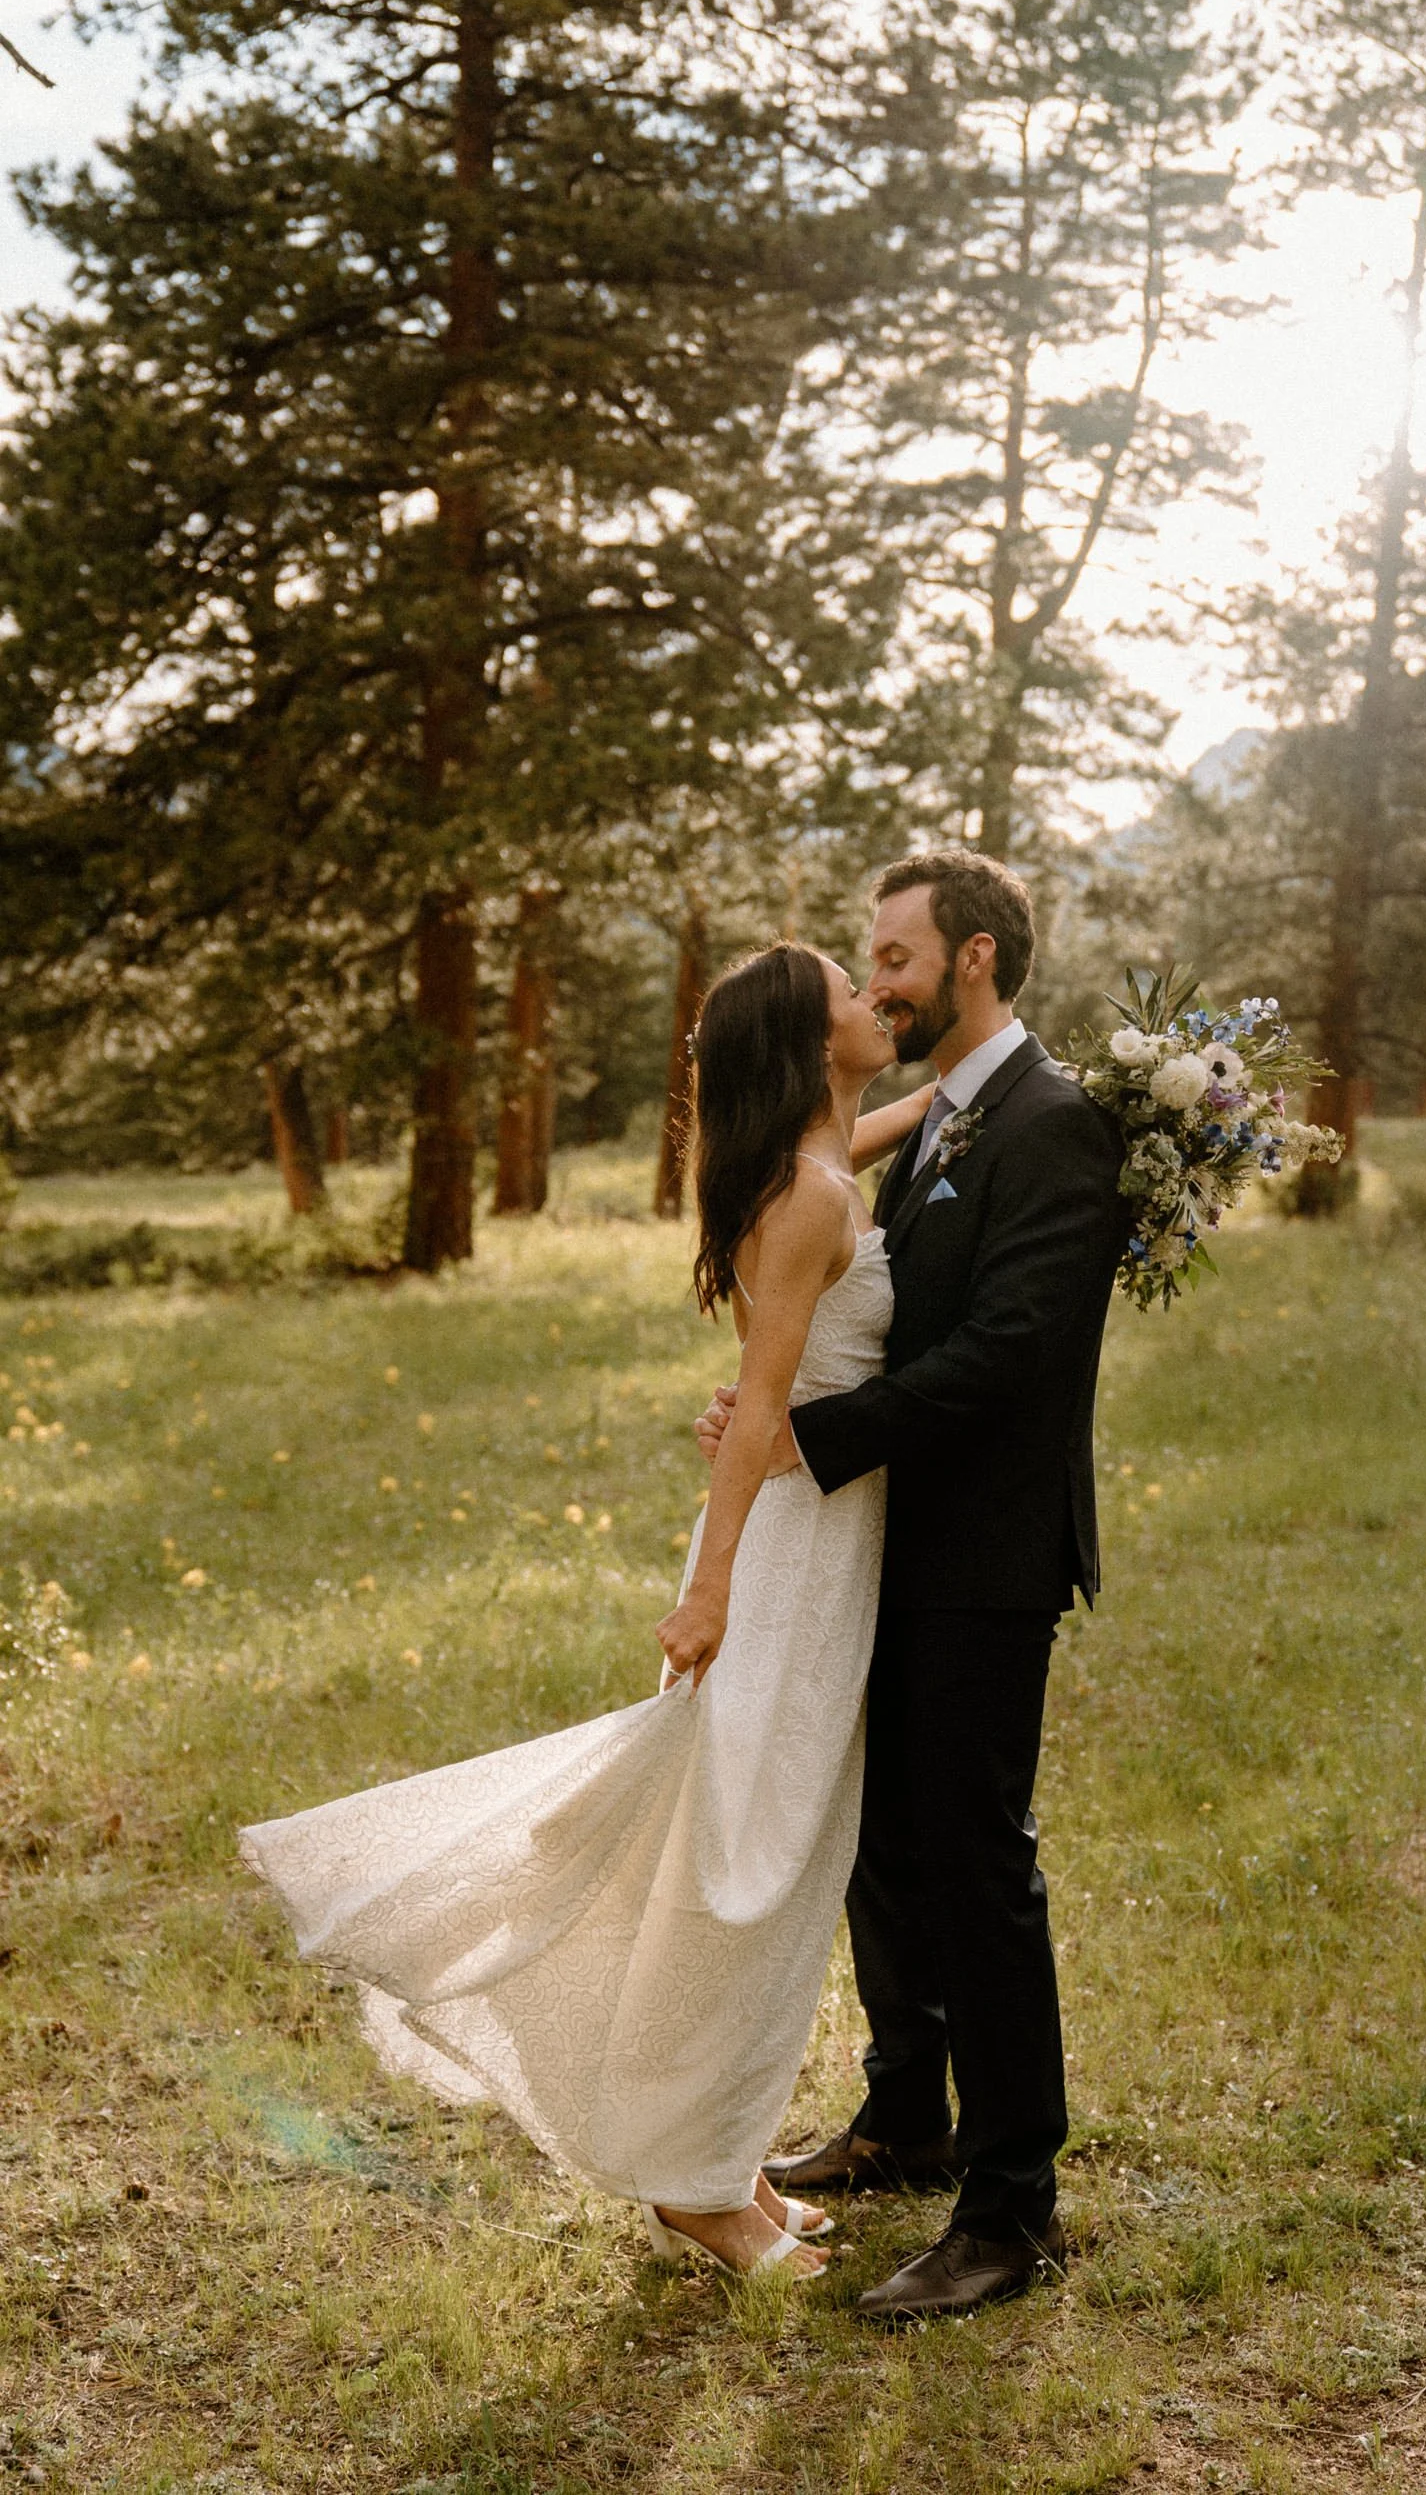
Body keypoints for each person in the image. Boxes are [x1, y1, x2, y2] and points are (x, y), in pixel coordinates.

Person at [241, 942, 928, 2281]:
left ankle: (716, 2154)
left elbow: (876, 1134)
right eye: (850, 988)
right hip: (786, 1559)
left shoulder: (812, 1167)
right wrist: (712, 1589)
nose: (872, 998)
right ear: (809, 1040)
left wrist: (970, 1095)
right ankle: (697, 2190)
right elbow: (762, 1410)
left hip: (823, 1548)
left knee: (762, 1856)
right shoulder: (804, 1197)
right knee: (744, 1869)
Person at [698, 850, 1130, 2320]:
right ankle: (906, 2116)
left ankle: (1010, 2210)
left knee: (975, 1869)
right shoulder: (942, 1112)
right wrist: (775, 1403)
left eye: (893, 956)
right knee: (884, 1847)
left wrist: (805, 1439)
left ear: (975, 957)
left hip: (985, 1554)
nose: (876, 981)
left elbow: (1006, 1353)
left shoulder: (1054, 1124)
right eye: (867, 962)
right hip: (889, 1537)